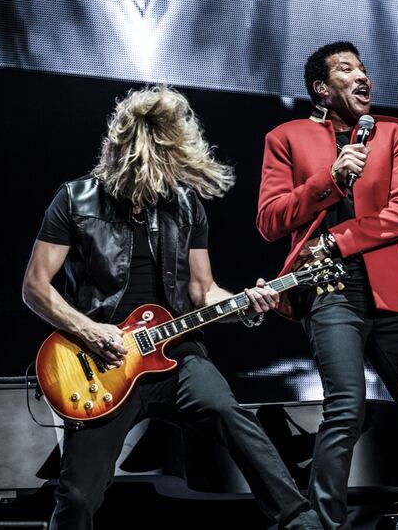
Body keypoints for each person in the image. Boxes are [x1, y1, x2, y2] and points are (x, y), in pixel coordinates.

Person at [22, 86, 322, 530]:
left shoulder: (184, 205)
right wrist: (89, 331)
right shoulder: (75, 200)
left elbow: (203, 291)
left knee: (228, 413)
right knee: (80, 496)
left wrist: (247, 305)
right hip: (103, 364)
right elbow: (34, 287)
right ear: (138, 152)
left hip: (177, 353)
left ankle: (299, 519)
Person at [257, 41, 398, 529]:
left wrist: (339, 239)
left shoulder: (394, 134)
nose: (363, 77)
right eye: (347, 70)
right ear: (321, 88)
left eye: (364, 69)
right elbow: (270, 221)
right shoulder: (287, 136)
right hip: (327, 292)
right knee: (346, 409)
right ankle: (324, 524)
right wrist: (329, 178)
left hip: (387, 288)